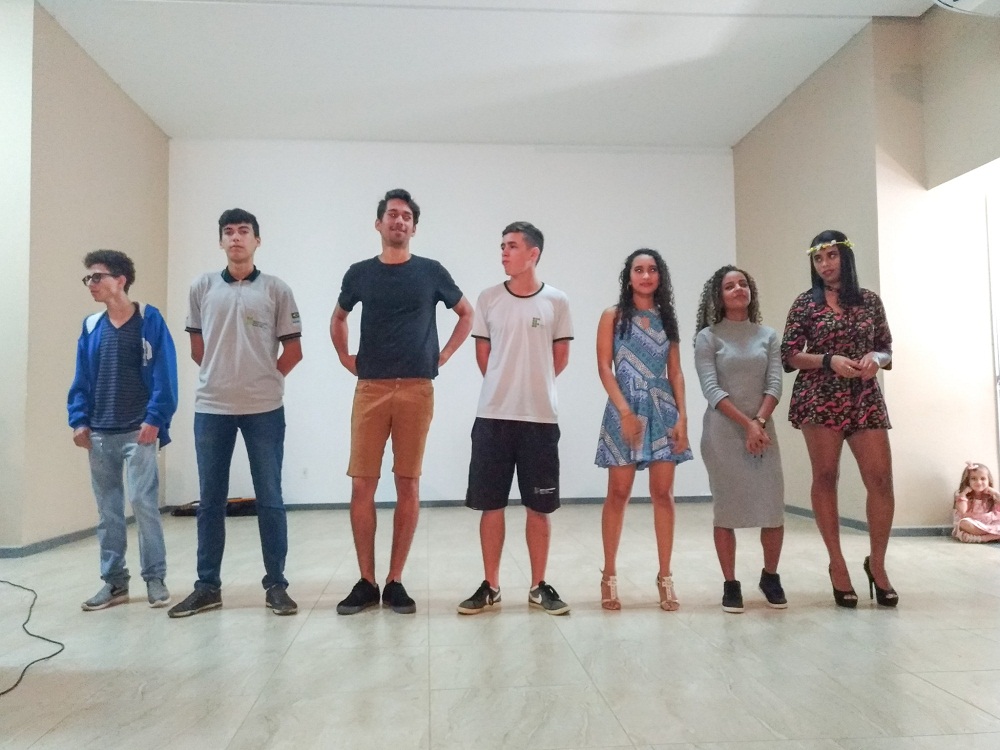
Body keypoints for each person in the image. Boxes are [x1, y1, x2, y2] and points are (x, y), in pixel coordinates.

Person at [331, 189, 473, 615]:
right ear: (379, 223)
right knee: (362, 483)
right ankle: (366, 581)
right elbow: (338, 318)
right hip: (371, 388)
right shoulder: (359, 273)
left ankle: (394, 580)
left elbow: (466, 313)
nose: (399, 221)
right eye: (392, 214)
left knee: (407, 482)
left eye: (406, 216)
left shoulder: (431, 272)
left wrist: (444, 354)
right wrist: (345, 357)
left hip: (416, 388)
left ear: (414, 227)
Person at [168, 208, 303, 618]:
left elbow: (293, 351)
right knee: (210, 501)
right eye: (228, 232)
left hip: (265, 409)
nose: (236, 238)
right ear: (221, 241)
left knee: (270, 498)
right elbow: (198, 348)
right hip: (212, 408)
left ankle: (276, 585)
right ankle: (207, 586)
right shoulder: (202, 287)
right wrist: (222, 376)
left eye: (244, 231)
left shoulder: (277, 289)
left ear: (257, 240)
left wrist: (265, 378)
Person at [457, 222, 573, 617]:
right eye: (502, 246)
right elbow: (483, 356)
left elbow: (560, 358)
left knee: (538, 507)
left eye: (512, 246)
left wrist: (532, 386)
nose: (504, 253)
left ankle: (539, 586)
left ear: (533, 254)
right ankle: (491, 586)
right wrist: (504, 385)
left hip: (540, 420)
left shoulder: (557, 301)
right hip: (493, 417)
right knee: (491, 506)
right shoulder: (489, 298)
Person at [781, 230, 897, 608]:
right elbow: (789, 356)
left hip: (863, 396)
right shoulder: (805, 304)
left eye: (831, 255)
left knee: (880, 479)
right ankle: (837, 563)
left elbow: (886, 348)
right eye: (819, 258)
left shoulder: (869, 301)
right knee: (826, 476)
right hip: (819, 397)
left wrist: (875, 359)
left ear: (845, 257)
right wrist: (828, 360)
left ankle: (876, 564)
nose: (826, 264)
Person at [68, 250, 178, 611]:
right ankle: (114, 583)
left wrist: (155, 420)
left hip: (139, 431)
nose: (91, 284)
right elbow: (81, 379)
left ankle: (155, 578)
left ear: (120, 280)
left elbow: (165, 374)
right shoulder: (91, 326)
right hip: (100, 434)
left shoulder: (149, 320)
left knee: (144, 504)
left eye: (97, 277)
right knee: (108, 512)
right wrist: (78, 420)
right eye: (88, 278)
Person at [595, 249, 692, 611]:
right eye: (639, 269)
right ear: (629, 276)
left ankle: (665, 576)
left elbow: (675, 371)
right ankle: (609, 575)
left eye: (652, 270)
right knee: (618, 493)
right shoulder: (613, 315)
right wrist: (624, 411)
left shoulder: (667, 317)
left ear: (660, 276)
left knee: (663, 494)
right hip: (624, 406)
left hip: (662, 408)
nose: (646, 275)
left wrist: (682, 417)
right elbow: (604, 367)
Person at [694, 266, 786, 614]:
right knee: (726, 510)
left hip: (762, 433)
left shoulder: (768, 335)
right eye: (729, 286)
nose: (738, 289)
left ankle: (770, 576)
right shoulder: (708, 337)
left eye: (743, 284)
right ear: (719, 296)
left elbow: (774, 383)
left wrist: (758, 423)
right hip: (723, 433)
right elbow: (711, 388)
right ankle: (731, 584)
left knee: (772, 509)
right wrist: (747, 425)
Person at [953, 462, 1000, 543]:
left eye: (983, 479)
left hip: (989, 523)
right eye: (973, 479)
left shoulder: (992, 496)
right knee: (964, 523)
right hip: (973, 524)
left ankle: (982, 538)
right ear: (967, 481)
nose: (978, 482)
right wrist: (963, 494)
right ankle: (992, 535)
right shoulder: (962, 495)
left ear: (988, 481)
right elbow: (962, 511)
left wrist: (996, 494)